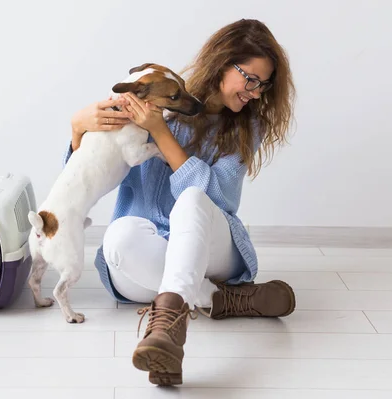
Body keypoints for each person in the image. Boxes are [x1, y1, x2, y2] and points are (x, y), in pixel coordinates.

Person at [64, 19, 296, 386]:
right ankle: (221, 300)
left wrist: (160, 133)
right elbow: (84, 181)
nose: (255, 93)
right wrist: (77, 128)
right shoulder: (156, 99)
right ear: (223, 63)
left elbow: (218, 197)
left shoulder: (247, 127)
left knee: (191, 197)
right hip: (143, 262)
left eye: (263, 86)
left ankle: (167, 327)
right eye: (250, 79)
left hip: (212, 250)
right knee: (119, 237)